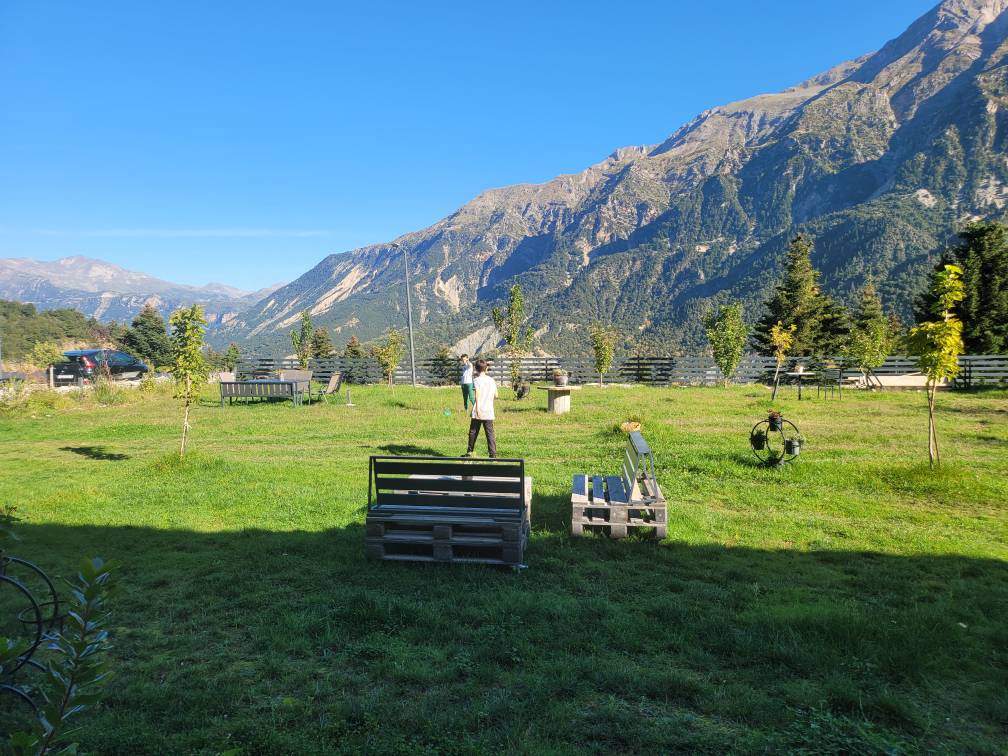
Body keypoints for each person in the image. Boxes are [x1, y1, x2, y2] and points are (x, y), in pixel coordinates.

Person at [465, 359, 497, 458]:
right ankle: (493, 454)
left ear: (476, 369)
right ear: (486, 368)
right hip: (489, 410)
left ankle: (470, 452)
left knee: (473, 432)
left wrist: (477, 409)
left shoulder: (476, 380)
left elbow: (477, 395)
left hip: (478, 410)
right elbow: (496, 395)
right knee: (490, 433)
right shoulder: (491, 380)